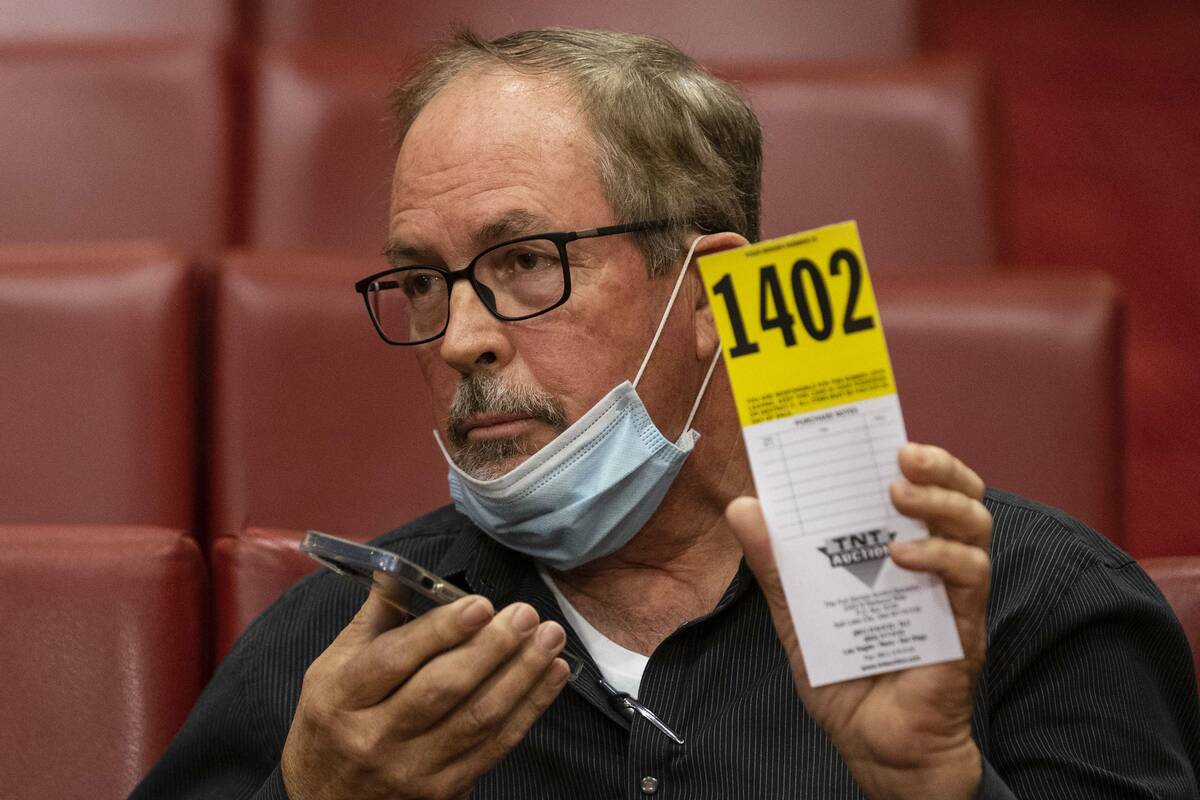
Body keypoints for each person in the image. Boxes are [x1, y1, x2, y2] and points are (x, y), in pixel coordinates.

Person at [132, 28, 1200, 800]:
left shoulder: (1030, 608)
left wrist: (936, 786)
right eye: (423, 281)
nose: (459, 338)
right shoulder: (342, 655)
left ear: (706, 298)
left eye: (524, 262)